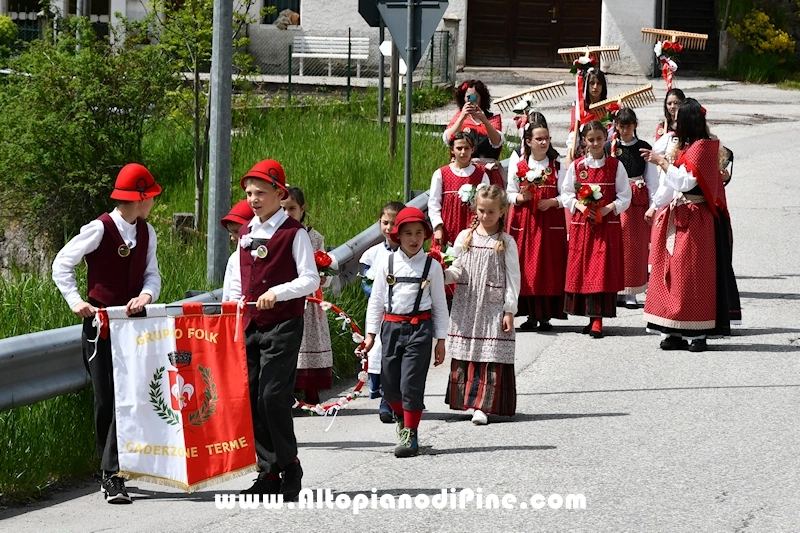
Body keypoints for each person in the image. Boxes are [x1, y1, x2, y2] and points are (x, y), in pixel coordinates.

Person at [52, 163, 162, 504]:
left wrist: (146, 296)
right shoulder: (99, 229)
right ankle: (110, 473)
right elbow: (62, 264)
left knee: (130, 396)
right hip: (100, 326)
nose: (153, 203)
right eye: (151, 197)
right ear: (140, 199)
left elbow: (152, 275)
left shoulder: (147, 232)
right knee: (107, 399)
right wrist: (76, 301)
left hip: (133, 327)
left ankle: (115, 470)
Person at [228, 159, 319, 500]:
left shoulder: (294, 233)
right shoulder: (246, 233)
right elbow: (237, 279)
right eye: (249, 193)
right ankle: (267, 472)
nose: (253, 199)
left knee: (272, 396)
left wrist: (277, 293)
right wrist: (233, 308)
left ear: (279, 194)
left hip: (283, 324)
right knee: (253, 396)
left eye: (261, 193)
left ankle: (290, 465)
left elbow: (309, 279)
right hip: (250, 323)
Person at [640, 99, 740, 352]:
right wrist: (655, 206)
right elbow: (670, 184)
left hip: (697, 219)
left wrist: (661, 162)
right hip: (679, 214)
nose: (675, 124)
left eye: (679, 120)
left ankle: (697, 332)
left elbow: (685, 182)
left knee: (693, 273)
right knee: (672, 272)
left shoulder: (703, 148)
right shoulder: (686, 147)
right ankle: (673, 329)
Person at [364, 207, 448, 458]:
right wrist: (370, 334)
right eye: (408, 233)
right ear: (397, 235)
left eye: (419, 233)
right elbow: (376, 301)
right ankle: (402, 418)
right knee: (390, 387)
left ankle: (410, 433)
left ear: (426, 235)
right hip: (390, 328)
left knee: (411, 383)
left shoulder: (432, 266)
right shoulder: (387, 263)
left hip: (420, 329)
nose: (414, 239)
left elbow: (440, 305)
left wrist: (441, 339)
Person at [444, 185, 520, 424]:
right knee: (469, 350)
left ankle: (482, 406)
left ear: (502, 212)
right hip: (467, 303)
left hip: (492, 307)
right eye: (482, 210)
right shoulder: (465, 237)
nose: (486, 216)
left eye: (491, 212)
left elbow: (513, 278)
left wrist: (509, 310)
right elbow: (455, 267)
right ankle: (468, 400)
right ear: (475, 209)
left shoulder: (506, 242)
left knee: (490, 353)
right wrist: (441, 273)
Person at [562, 120, 632, 338]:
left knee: (601, 269)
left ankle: (598, 320)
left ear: (605, 138)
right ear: (584, 140)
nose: (595, 143)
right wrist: (580, 206)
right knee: (583, 268)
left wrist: (608, 208)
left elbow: (625, 196)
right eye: (591, 140)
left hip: (606, 226)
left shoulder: (615, 166)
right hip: (583, 225)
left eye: (599, 139)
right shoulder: (577, 166)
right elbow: (566, 193)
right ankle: (589, 315)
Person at [506, 115, 568, 332]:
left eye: (547, 138)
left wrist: (552, 202)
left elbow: (567, 194)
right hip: (525, 222)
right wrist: (520, 198)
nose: (544, 142)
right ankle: (529, 314)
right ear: (528, 141)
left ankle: (546, 315)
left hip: (549, 222)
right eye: (539, 139)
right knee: (525, 266)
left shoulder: (556, 165)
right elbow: (509, 192)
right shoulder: (520, 165)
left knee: (548, 266)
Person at [280, 187, 333, 406]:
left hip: (308, 301)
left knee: (308, 338)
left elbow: (325, 269)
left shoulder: (314, 237)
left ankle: (311, 391)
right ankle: (287, 393)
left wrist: (323, 278)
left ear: (302, 209)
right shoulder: (276, 235)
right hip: (285, 296)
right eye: (282, 209)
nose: (287, 214)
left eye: (292, 209)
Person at [606, 108, 658, 308]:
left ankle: (632, 292)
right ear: (616, 126)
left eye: (628, 126)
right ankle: (616, 289)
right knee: (615, 244)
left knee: (635, 246)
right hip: (615, 199)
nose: (625, 130)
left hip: (636, 201)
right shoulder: (610, 147)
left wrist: (653, 205)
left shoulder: (643, 148)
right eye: (621, 126)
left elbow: (651, 179)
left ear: (635, 125)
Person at [359, 201, 405, 423]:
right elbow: (365, 281)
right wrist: (378, 290)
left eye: (394, 223)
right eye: (385, 222)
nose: (389, 228)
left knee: (400, 355)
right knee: (379, 352)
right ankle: (385, 399)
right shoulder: (373, 253)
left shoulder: (410, 251)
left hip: (402, 311)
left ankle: (401, 399)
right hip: (380, 312)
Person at [429, 131, 490, 247]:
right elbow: (434, 203)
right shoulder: (441, 173)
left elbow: (486, 204)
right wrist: (438, 227)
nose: (463, 152)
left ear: (472, 149)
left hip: (472, 228)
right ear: (452, 150)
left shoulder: (481, 175)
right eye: (459, 148)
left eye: (466, 148)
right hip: (447, 227)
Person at [442, 79, 505, 186]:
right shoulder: (459, 117)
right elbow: (449, 139)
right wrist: (462, 117)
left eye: (475, 97)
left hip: (488, 171)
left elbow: (496, 141)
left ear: (482, 98)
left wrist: (484, 120)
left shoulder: (492, 118)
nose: (471, 101)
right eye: (468, 97)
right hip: (464, 170)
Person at [566, 68, 609, 167]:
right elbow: (573, 131)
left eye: (598, 83)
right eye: (591, 83)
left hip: (603, 153)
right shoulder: (579, 106)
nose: (595, 87)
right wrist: (569, 155)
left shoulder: (609, 107)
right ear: (586, 85)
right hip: (583, 154)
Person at [221, 199, 255, 302]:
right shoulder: (234, 258)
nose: (232, 237)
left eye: (236, 232)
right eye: (230, 232)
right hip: (237, 307)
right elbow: (228, 292)